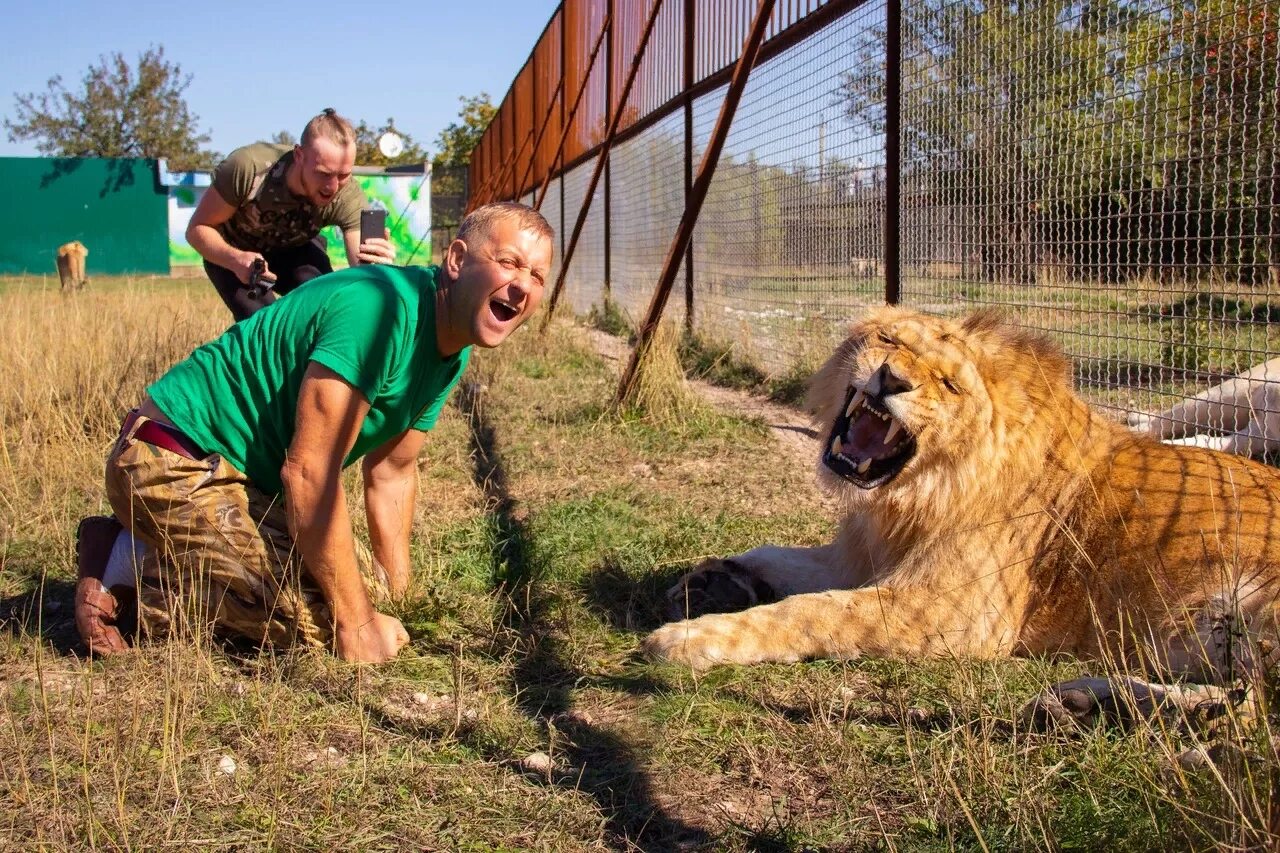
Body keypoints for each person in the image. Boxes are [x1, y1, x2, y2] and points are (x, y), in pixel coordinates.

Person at [73, 202, 554, 663]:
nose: (522, 287)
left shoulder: (453, 343)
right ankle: (124, 562)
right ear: (456, 260)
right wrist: (357, 623)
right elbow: (308, 473)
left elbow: (392, 472)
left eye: (537, 276)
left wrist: (396, 596)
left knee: (359, 585)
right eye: (509, 263)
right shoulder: (380, 312)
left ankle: (164, 555)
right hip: (170, 458)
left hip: (241, 479)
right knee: (318, 618)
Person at [186, 108, 398, 321]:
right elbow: (197, 229)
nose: (332, 187)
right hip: (235, 253)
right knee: (263, 328)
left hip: (295, 249)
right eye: (323, 174)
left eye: (343, 175)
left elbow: (361, 267)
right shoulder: (248, 168)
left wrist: (377, 270)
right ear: (299, 156)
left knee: (327, 307)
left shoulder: (348, 195)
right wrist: (235, 259)